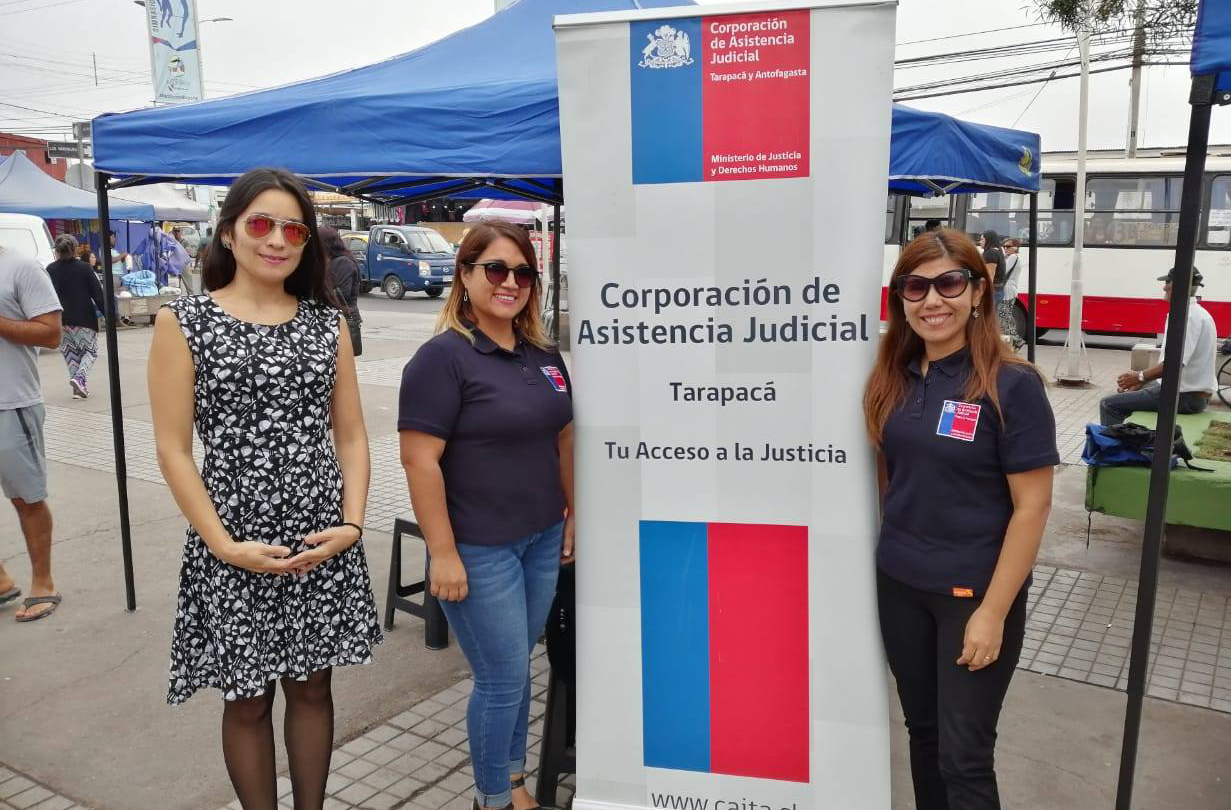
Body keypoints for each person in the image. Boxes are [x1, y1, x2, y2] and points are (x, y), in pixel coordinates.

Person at [147, 168, 382, 810]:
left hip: (321, 537)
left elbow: (354, 437)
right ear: (230, 232)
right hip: (233, 539)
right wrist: (223, 546)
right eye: (261, 223)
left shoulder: (323, 324)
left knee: (312, 689)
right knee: (245, 699)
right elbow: (172, 448)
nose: (277, 239)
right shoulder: (185, 321)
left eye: (293, 228)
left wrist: (353, 525)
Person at [863, 228, 1057, 809]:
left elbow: (1033, 507)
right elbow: (891, 478)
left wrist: (992, 612)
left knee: (964, 756)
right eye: (915, 287)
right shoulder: (893, 376)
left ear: (978, 291)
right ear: (900, 298)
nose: (932, 300)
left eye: (949, 282)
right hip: (900, 585)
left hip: (970, 593)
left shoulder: (1011, 384)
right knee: (923, 738)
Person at [399, 221, 574, 810]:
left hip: (542, 536)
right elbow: (420, 462)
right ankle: (492, 798)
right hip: (479, 548)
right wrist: (443, 553)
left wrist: (570, 513)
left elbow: (565, 438)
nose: (511, 282)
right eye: (495, 269)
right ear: (465, 275)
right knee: (502, 679)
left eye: (523, 272)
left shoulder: (542, 354)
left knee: (519, 670)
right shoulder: (441, 358)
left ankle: (515, 782)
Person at [0, 244, 64, 622]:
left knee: (27, 498)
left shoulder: (21, 267)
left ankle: (44, 582)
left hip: (11, 403)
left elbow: (51, 333)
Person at [1099, 266, 1218, 426]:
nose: (1164, 286)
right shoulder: (1199, 313)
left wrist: (1141, 376)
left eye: (1168, 281)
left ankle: (1117, 449)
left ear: (1179, 285)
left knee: (1109, 404)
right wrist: (1143, 381)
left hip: (1184, 397)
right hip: (1191, 394)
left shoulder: (1185, 316)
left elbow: (1174, 364)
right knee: (1132, 394)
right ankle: (1129, 440)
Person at [46, 234, 106, 399]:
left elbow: (45, 296)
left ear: (57, 251)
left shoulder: (50, 269)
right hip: (84, 318)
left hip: (61, 320)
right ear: (75, 249)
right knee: (90, 352)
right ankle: (80, 378)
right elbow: (98, 295)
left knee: (70, 354)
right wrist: (109, 313)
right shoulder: (84, 268)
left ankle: (78, 389)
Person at [320, 226, 363, 357]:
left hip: (342, 320)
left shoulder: (343, 262)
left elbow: (341, 293)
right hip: (335, 319)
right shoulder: (332, 261)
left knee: (340, 362)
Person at [997, 238, 1024, 350]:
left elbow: (1003, 270)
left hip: (1008, 291)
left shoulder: (1013, 257)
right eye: (1004, 246)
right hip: (1009, 290)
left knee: (1004, 315)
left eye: (1008, 247)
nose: (1005, 249)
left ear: (1015, 248)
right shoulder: (1011, 258)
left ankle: (1017, 340)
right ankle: (1016, 341)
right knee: (1005, 316)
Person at [979, 229, 1006, 300]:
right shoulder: (997, 251)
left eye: (982, 239)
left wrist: (984, 293)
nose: (980, 242)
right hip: (998, 290)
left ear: (988, 240)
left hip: (993, 292)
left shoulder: (991, 253)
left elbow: (990, 275)